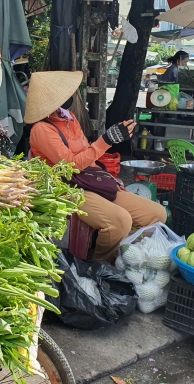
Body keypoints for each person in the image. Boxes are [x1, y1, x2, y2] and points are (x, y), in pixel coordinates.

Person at [25, 71, 167, 263]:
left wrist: (109, 179)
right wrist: (106, 140)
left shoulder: (69, 118)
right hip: (67, 188)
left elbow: (88, 154)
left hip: (90, 181)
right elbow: (71, 165)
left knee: (157, 214)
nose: (71, 96)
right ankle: (100, 266)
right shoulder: (41, 130)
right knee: (120, 221)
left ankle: (131, 259)